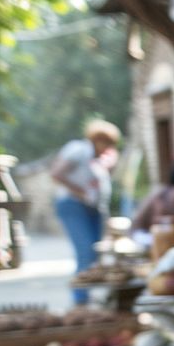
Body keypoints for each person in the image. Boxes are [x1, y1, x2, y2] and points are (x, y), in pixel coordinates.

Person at [51, 120, 121, 305]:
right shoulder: (78, 150)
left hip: (92, 208)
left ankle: (87, 295)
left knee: (95, 251)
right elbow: (57, 174)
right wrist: (82, 193)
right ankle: (80, 300)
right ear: (98, 140)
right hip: (73, 205)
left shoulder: (97, 159)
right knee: (85, 251)